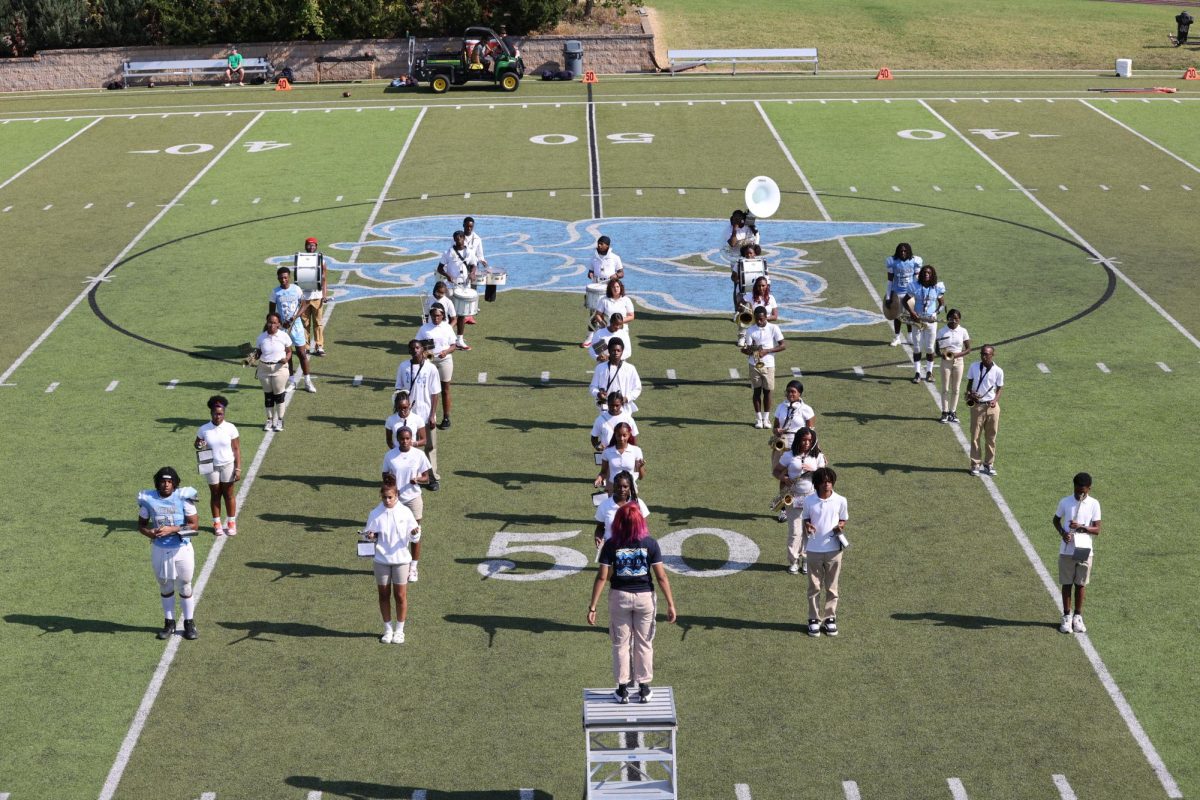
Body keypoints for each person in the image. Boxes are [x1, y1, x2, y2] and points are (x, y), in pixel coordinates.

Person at [587, 504, 677, 704]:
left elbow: (602, 577)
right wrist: (670, 604)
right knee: (644, 642)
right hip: (645, 598)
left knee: (621, 643)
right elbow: (661, 577)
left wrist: (593, 606)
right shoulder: (650, 543)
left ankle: (622, 690)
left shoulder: (611, 545)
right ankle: (644, 688)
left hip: (619, 597)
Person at [137, 466, 200, 641]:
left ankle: (189, 623)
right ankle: (169, 623)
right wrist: (149, 533)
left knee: (185, 585)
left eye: (169, 481)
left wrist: (173, 529)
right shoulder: (148, 499)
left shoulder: (184, 498)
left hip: (181, 549)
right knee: (165, 586)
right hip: (160, 549)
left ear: (175, 483)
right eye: (163, 481)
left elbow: (194, 526)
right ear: (158, 483)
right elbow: (141, 525)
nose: (166, 485)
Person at [362, 479, 420, 644]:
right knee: (384, 595)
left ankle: (400, 631)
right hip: (381, 560)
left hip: (401, 560)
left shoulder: (406, 512)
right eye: (384, 498)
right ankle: (388, 630)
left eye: (390, 497)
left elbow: (415, 536)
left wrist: (415, 532)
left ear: (397, 496)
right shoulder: (375, 513)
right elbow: (367, 535)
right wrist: (370, 536)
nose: (387, 501)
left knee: (400, 595)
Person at [380, 427, 432, 583]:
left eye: (408, 438)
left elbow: (427, 477)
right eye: (402, 439)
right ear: (397, 439)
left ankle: (413, 567)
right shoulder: (390, 456)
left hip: (413, 498)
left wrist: (417, 479)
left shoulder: (419, 455)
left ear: (412, 438)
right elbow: (384, 476)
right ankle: (398, 562)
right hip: (396, 500)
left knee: (415, 533)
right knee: (395, 531)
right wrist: (390, 481)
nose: (405, 441)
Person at [801, 466, 848, 637]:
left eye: (830, 481)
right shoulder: (809, 501)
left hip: (834, 549)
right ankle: (813, 618)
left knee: (832, 587)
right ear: (817, 483)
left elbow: (843, 518)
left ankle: (830, 618)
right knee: (814, 586)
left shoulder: (841, 500)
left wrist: (840, 526)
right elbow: (806, 517)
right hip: (813, 549)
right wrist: (808, 525)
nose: (828, 484)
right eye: (824, 481)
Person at [1053, 472, 1102, 635]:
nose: (1080, 494)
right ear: (1073, 486)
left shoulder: (1094, 504)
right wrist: (1063, 533)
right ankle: (1067, 616)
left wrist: (1081, 527)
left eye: (1084, 491)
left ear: (1089, 488)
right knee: (1066, 583)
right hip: (1067, 550)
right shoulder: (1065, 502)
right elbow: (1055, 520)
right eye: (1078, 490)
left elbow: (1097, 529)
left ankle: (1078, 616)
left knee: (1080, 584)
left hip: (1083, 549)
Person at [774, 427, 827, 574]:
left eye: (809, 440)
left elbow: (824, 477)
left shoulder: (817, 456)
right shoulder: (789, 455)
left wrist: (814, 470)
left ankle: (806, 560)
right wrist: (784, 478)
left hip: (812, 498)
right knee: (795, 531)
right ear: (798, 440)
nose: (806, 443)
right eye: (804, 440)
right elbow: (776, 471)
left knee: (809, 531)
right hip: (794, 497)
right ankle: (793, 561)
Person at [394, 339, 443, 491]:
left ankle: (432, 476)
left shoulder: (431, 368)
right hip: (409, 417)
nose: (415, 350)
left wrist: (433, 415)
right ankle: (410, 477)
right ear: (409, 351)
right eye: (412, 348)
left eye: (417, 347)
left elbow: (435, 393)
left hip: (426, 413)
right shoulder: (403, 367)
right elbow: (398, 390)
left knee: (430, 446)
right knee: (409, 446)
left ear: (422, 349)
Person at [195, 395, 241, 536]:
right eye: (215, 414)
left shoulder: (230, 428)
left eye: (220, 414)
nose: (218, 416)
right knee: (215, 494)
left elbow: (236, 449)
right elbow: (197, 444)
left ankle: (231, 522)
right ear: (211, 413)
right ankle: (217, 523)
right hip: (210, 465)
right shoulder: (204, 429)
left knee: (228, 494)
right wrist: (199, 444)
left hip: (228, 464)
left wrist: (238, 467)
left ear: (224, 413)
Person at [770, 380, 815, 520]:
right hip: (782, 445)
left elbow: (812, 432)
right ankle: (783, 507)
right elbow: (774, 427)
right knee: (783, 478)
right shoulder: (781, 407)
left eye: (793, 392)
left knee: (799, 477)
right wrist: (777, 430)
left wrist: (817, 449)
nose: (790, 394)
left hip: (798, 446)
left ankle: (804, 507)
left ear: (799, 393)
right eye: (788, 391)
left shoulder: (806, 409)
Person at [267, 266, 315, 393]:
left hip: (297, 326)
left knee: (301, 353)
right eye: (281, 278)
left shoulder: (296, 289)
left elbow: (304, 304)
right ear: (278, 278)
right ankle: (292, 382)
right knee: (287, 355)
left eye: (285, 277)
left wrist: (294, 317)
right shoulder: (275, 292)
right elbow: (271, 312)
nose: (283, 280)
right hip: (282, 329)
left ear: (289, 277)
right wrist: (280, 323)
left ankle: (307, 382)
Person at [742, 305, 786, 428]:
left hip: (769, 364)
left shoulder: (774, 328)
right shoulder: (750, 330)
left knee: (767, 392)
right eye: (757, 319)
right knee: (756, 391)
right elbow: (746, 349)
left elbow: (783, 345)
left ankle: (766, 419)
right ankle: (758, 419)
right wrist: (749, 350)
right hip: (754, 364)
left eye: (761, 319)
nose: (759, 322)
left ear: (766, 317)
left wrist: (767, 351)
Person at [415, 304, 458, 429]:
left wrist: (446, 352)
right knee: (428, 390)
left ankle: (446, 418)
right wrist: (423, 351)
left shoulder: (447, 327)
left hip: (445, 361)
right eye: (434, 316)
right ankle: (429, 416)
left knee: (445, 389)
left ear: (443, 315)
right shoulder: (424, 328)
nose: (436, 318)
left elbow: (453, 345)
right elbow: (416, 345)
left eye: (438, 316)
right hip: (429, 362)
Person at [965, 345, 1003, 476]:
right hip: (977, 406)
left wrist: (995, 400)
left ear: (992, 355)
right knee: (975, 436)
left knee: (991, 437)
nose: (983, 356)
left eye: (986, 354)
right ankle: (975, 464)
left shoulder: (998, 371)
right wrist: (970, 393)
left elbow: (1000, 388)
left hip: (992, 407)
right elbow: (969, 384)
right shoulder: (974, 366)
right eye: (982, 354)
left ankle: (989, 464)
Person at [904, 264, 945, 383]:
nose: (926, 274)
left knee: (929, 347)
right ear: (921, 274)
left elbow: (942, 304)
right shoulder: (915, 286)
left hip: (931, 321)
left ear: (932, 275)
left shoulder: (937, 287)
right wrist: (912, 313)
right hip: (917, 320)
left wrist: (936, 313)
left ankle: (929, 372)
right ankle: (917, 373)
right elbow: (904, 300)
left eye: (929, 273)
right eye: (925, 273)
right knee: (917, 347)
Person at [253, 312, 293, 431]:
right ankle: (269, 420)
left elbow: (289, 351)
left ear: (279, 324)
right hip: (264, 368)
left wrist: (286, 359)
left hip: (279, 369)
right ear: (267, 323)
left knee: (279, 395)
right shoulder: (261, 337)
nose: (272, 325)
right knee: (268, 396)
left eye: (274, 323)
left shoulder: (284, 336)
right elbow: (258, 353)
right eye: (270, 322)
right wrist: (252, 357)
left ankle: (280, 420)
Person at [436, 230, 475, 350]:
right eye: (456, 239)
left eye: (459, 238)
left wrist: (472, 273)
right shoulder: (448, 253)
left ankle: (459, 339)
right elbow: (440, 268)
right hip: (452, 286)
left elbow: (474, 264)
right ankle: (446, 337)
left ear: (463, 238)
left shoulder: (469, 252)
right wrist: (448, 276)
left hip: (465, 285)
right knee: (451, 313)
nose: (458, 241)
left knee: (462, 313)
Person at [594, 470, 650, 551]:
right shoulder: (604, 505)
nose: (622, 489)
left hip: (634, 550)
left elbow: (643, 529)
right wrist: (598, 537)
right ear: (614, 486)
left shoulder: (639, 504)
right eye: (618, 486)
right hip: (611, 549)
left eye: (625, 486)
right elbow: (600, 527)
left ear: (630, 487)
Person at [935, 308, 971, 424]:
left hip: (959, 361)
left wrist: (956, 355)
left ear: (959, 319)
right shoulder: (942, 331)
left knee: (956, 389)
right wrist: (944, 355)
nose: (954, 321)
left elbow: (968, 349)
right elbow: (937, 349)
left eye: (956, 318)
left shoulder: (963, 331)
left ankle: (953, 412)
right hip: (946, 362)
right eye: (952, 318)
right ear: (948, 318)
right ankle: (944, 412)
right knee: (945, 388)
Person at [589, 339, 642, 414]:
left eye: (618, 350)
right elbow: (592, 387)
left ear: (622, 351)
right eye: (613, 350)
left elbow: (637, 388)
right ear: (609, 351)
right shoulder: (600, 368)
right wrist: (598, 394)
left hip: (624, 409)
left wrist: (627, 398)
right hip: (606, 408)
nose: (616, 353)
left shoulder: (630, 368)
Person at [884, 242, 922, 346]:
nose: (903, 253)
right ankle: (897, 337)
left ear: (909, 251)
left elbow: (916, 279)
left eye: (905, 251)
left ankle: (910, 337)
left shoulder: (915, 261)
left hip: (909, 294)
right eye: (901, 251)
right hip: (897, 293)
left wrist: (917, 293)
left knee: (910, 315)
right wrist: (888, 296)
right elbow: (890, 281)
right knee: (897, 316)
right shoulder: (892, 261)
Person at [595, 422, 645, 493]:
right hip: (613, 490)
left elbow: (641, 477)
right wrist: (599, 479)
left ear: (629, 435)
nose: (621, 438)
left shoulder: (636, 450)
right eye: (619, 435)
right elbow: (603, 472)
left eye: (624, 435)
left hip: (630, 490)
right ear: (615, 435)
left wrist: (640, 467)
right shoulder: (607, 451)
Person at [298, 237, 327, 356]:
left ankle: (319, 345)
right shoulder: (301, 259)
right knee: (305, 323)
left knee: (318, 322)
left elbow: (324, 278)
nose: (311, 247)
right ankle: (306, 346)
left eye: (313, 245)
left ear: (316, 246)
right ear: (305, 246)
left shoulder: (321, 260)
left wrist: (324, 295)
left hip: (317, 296)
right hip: (304, 296)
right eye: (309, 245)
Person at [462, 216, 487, 324]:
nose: (469, 228)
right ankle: (461, 312)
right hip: (461, 266)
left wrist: (482, 260)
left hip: (473, 266)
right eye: (467, 226)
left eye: (471, 226)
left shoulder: (477, 239)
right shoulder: (458, 236)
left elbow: (480, 254)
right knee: (461, 288)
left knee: (473, 289)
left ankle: (470, 314)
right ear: (463, 225)